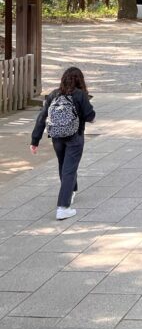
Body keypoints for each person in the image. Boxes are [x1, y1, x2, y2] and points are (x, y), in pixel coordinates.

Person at [30, 66, 95, 221]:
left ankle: (72, 191)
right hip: (75, 136)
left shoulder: (53, 94)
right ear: (80, 80)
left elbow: (41, 118)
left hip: (56, 136)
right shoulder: (80, 95)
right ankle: (63, 207)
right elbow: (90, 116)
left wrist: (35, 140)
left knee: (64, 165)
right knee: (69, 169)